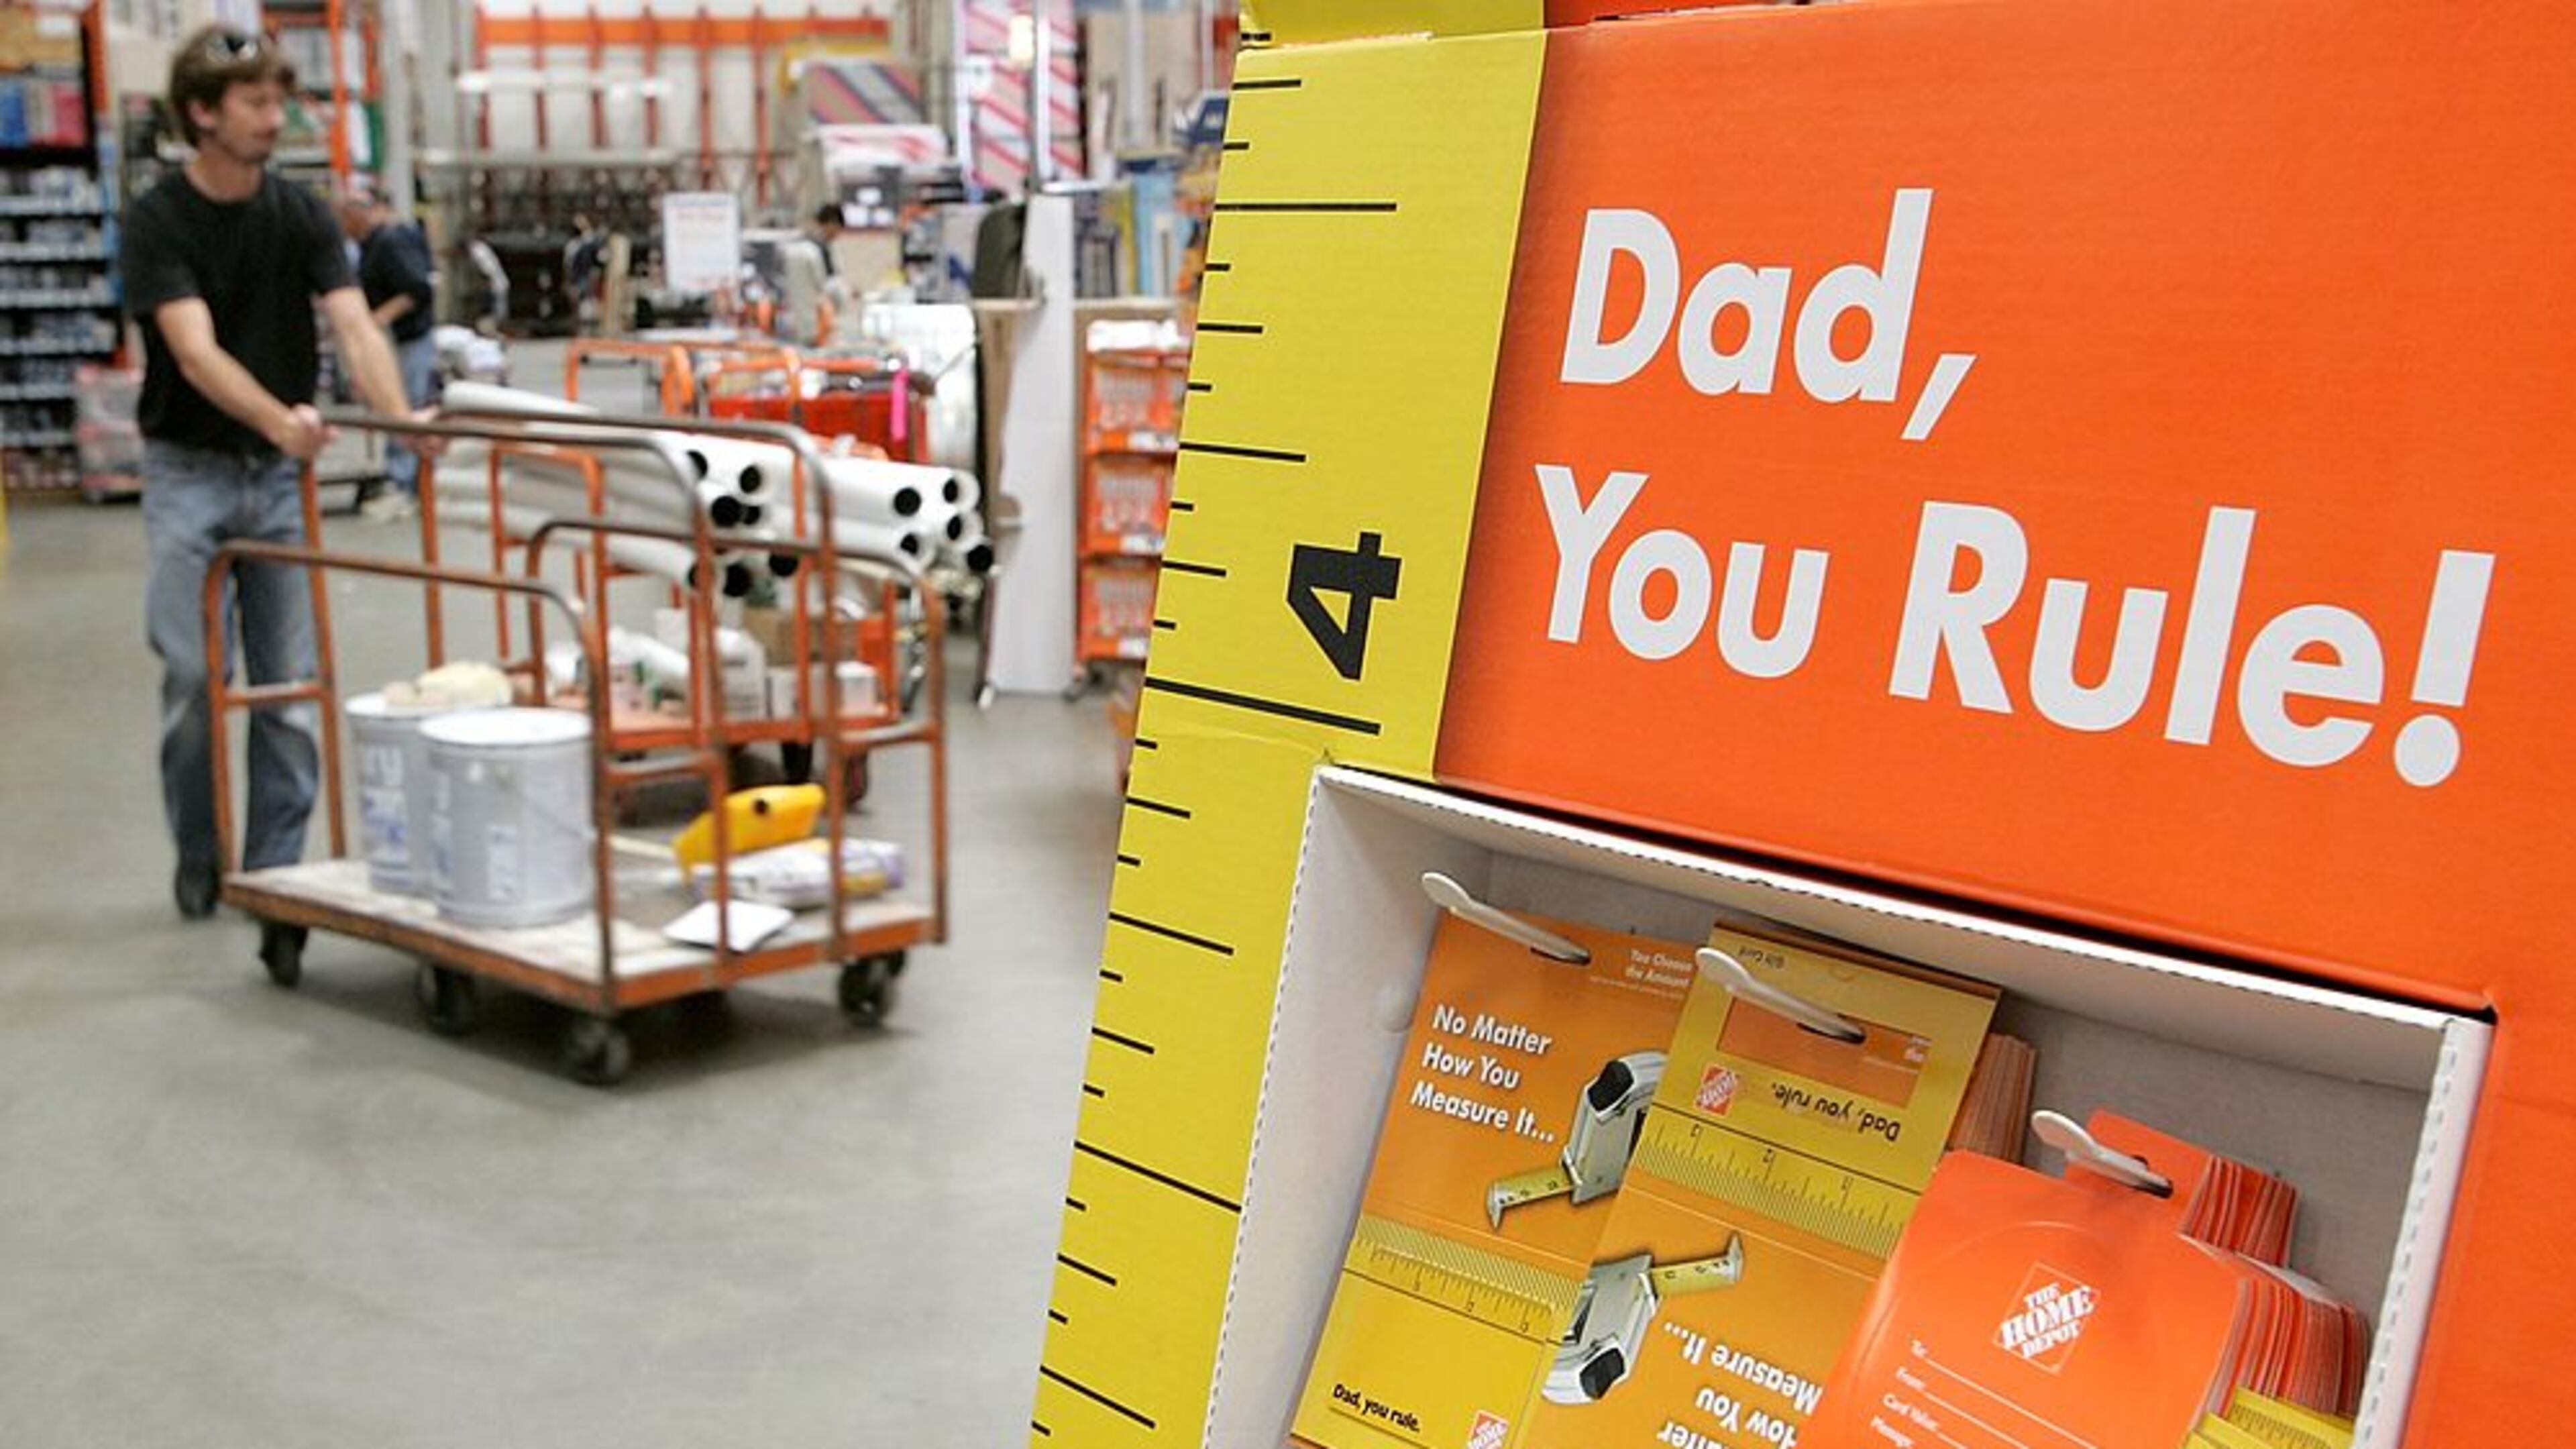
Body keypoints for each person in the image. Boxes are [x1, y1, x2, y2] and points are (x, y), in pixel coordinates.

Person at [121, 25, 427, 926]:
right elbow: (193, 349)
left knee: (289, 689)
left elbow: (356, 324)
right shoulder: (159, 221)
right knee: (190, 680)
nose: (273, 117)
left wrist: (409, 429)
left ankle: (277, 881)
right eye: (253, 103)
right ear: (203, 115)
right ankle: (201, 855)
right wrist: (280, 422)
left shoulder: (299, 212)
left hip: (275, 483)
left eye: (274, 99)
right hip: (190, 473)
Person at [336, 186, 437, 519]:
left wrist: (378, 320)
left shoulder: (391, 241)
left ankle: (405, 485)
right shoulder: (373, 244)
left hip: (408, 339)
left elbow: (417, 287)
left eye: (344, 216)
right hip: (397, 340)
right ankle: (403, 480)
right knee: (396, 409)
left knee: (402, 409)